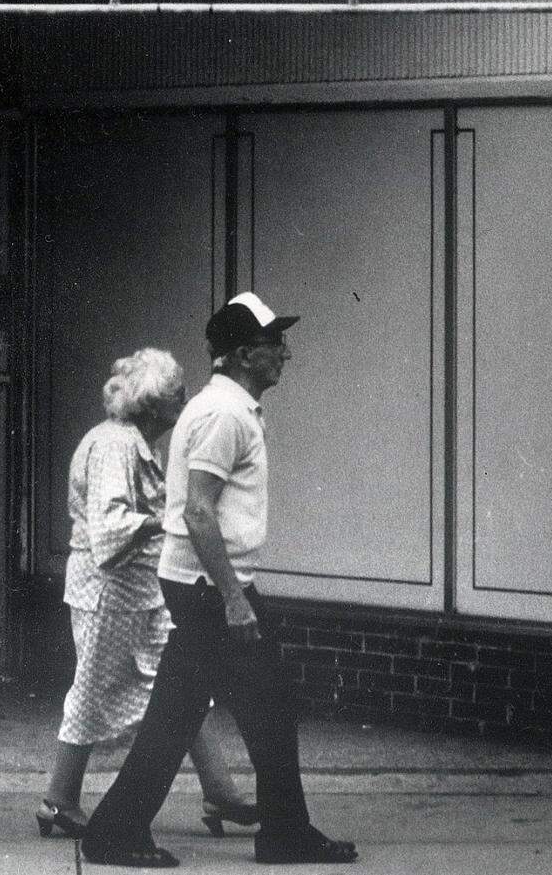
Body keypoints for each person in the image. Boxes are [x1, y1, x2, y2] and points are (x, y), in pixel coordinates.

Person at [81, 293, 357, 870]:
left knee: (225, 708)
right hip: (211, 587)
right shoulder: (224, 415)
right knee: (234, 709)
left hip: (204, 583)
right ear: (239, 355)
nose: (284, 352)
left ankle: (123, 831)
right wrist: (235, 599)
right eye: (271, 343)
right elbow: (199, 512)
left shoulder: (229, 408)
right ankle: (272, 834)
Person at [37, 346, 257, 842]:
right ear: (152, 402)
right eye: (175, 393)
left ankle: (221, 791)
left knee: (184, 683)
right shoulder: (114, 445)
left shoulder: (137, 445)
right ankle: (59, 799)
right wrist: (167, 519)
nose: (182, 400)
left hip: (138, 593)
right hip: (109, 594)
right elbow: (109, 527)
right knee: (94, 692)